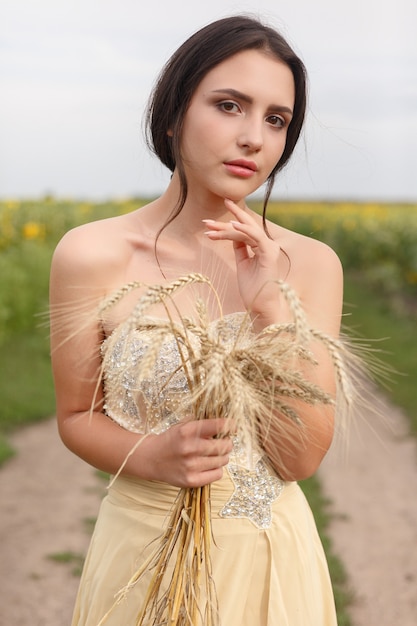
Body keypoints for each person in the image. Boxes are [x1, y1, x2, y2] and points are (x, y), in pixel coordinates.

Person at [50, 14, 343, 625]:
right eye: (230, 105)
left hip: (266, 562)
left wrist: (269, 310)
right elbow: (78, 417)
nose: (254, 138)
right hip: (141, 556)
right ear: (175, 113)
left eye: (276, 119)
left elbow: (299, 460)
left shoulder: (312, 266)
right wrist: (153, 458)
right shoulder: (90, 254)